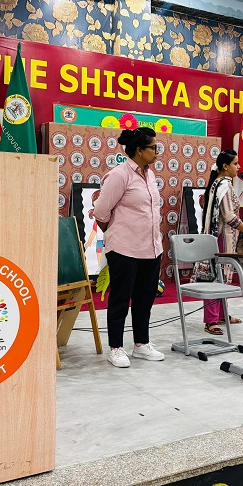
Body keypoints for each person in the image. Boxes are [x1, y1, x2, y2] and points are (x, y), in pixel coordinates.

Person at [93, 127, 165, 368]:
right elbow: (100, 212)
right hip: (124, 249)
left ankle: (141, 344)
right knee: (120, 299)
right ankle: (116, 348)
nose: (157, 152)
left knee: (145, 298)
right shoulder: (119, 175)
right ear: (139, 151)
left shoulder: (150, 175)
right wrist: (116, 233)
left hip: (151, 248)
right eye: (154, 147)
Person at [200, 149, 243, 335]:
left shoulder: (219, 183)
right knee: (215, 277)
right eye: (235, 163)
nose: (239, 167)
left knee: (221, 276)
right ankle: (211, 320)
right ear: (225, 166)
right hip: (220, 238)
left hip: (220, 237)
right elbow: (229, 217)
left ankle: (220, 314)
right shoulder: (224, 186)